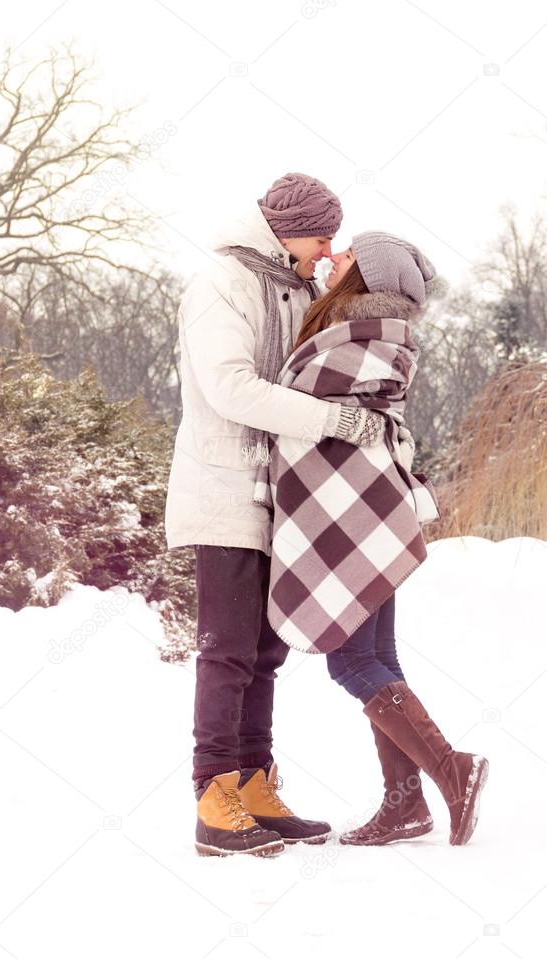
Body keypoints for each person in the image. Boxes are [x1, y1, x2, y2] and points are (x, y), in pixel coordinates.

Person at [165, 173, 388, 858]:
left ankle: (255, 784)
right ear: (289, 228)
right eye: (322, 235)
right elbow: (231, 387)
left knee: (266, 651)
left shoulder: (296, 288)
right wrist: (335, 419)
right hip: (225, 491)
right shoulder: (222, 285)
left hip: (280, 500)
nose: (328, 249)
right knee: (227, 649)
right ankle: (213, 796)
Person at [257, 233, 489, 848]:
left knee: (352, 661)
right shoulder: (369, 336)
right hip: (369, 513)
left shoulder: (359, 340)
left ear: (368, 276)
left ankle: (451, 770)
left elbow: (291, 409)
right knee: (377, 659)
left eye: (348, 255)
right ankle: (405, 805)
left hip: (351, 512)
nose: (334, 258)